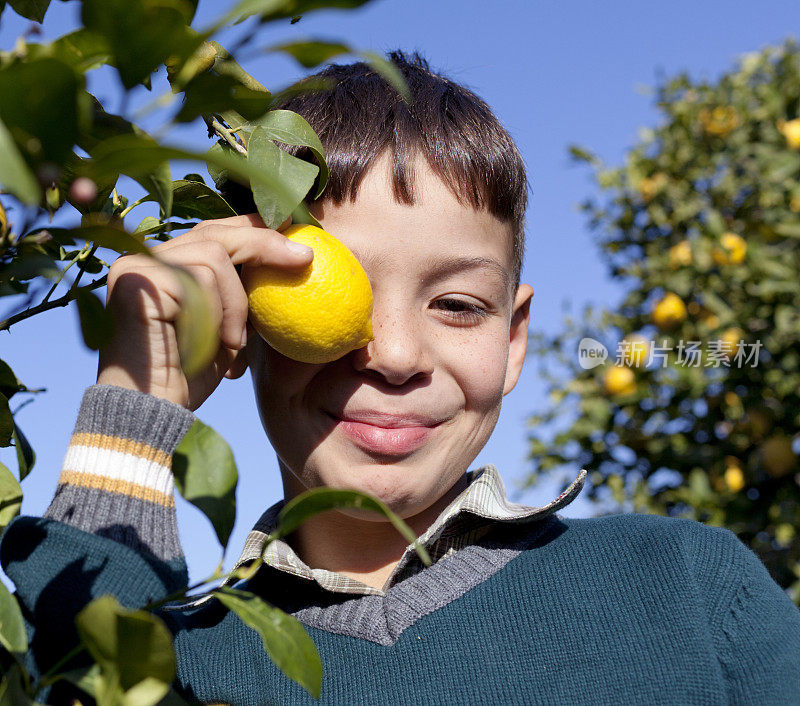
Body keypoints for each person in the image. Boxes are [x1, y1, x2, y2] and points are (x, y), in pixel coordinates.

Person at [2, 51, 799, 706]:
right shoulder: (171, 655)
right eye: (340, 296)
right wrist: (138, 403)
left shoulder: (686, 591)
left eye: (456, 304)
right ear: (243, 320)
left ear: (513, 339)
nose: (394, 354)